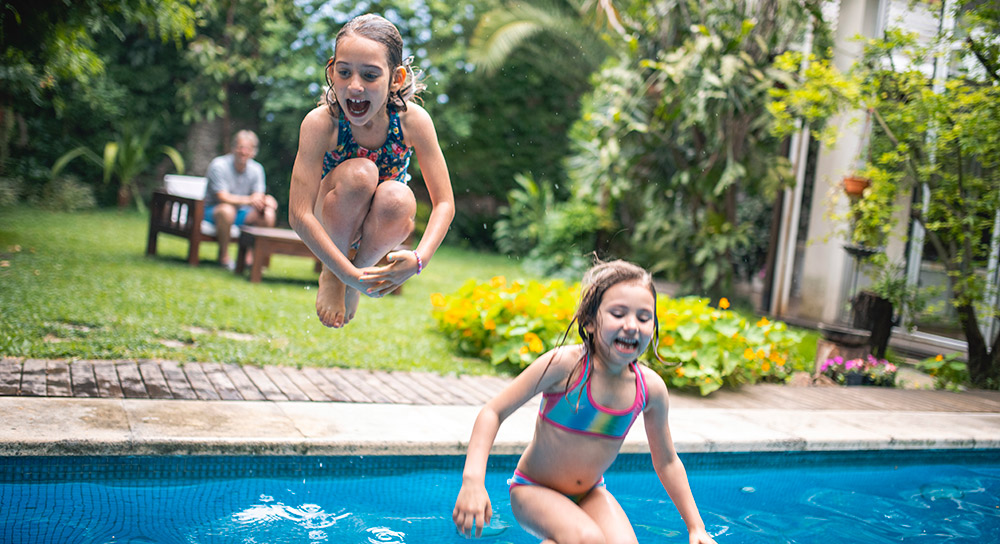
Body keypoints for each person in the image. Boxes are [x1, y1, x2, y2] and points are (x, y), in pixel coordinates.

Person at [453, 260, 717, 544]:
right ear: (589, 321)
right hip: (533, 489)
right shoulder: (566, 366)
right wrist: (473, 481)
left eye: (644, 317)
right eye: (618, 313)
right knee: (588, 539)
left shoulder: (649, 389)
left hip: (590, 492)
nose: (632, 325)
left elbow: (666, 462)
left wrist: (696, 527)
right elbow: (493, 411)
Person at [288, 13, 455, 329]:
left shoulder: (412, 121)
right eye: (344, 72)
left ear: (396, 78)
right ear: (331, 71)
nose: (354, 86)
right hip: (333, 216)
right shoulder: (321, 123)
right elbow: (298, 214)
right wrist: (343, 271)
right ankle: (335, 272)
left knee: (397, 195)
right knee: (360, 174)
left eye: (370, 75)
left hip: (382, 223)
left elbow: (444, 203)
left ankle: (354, 277)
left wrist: (420, 258)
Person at [204, 129, 278, 270]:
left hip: (241, 214)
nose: (243, 151)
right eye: (240, 147)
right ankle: (224, 257)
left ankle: (250, 258)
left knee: (268, 215)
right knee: (227, 210)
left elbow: (257, 197)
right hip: (212, 212)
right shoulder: (218, 165)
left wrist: (267, 201)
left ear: (253, 151)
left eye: (248, 148)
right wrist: (249, 200)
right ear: (233, 148)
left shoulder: (257, 169)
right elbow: (222, 197)